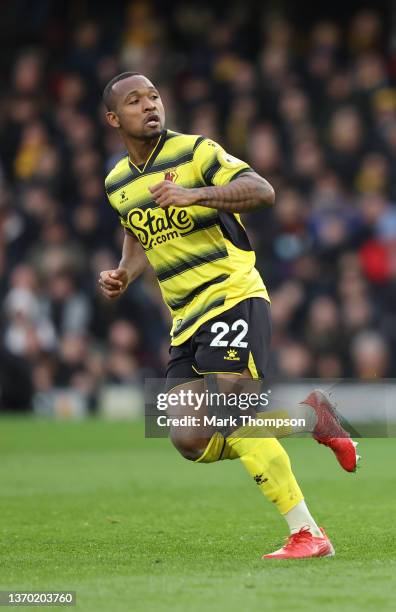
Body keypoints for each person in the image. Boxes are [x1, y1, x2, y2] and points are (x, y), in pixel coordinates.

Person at [99, 71, 359, 559]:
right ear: (114, 118)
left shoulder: (196, 152)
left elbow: (261, 191)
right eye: (134, 102)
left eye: (154, 96)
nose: (150, 106)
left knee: (235, 410)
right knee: (190, 437)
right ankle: (311, 417)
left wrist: (196, 194)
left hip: (231, 293)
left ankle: (308, 534)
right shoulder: (116, 182)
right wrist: (123, 274)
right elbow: (136, 231)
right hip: (185, 317)